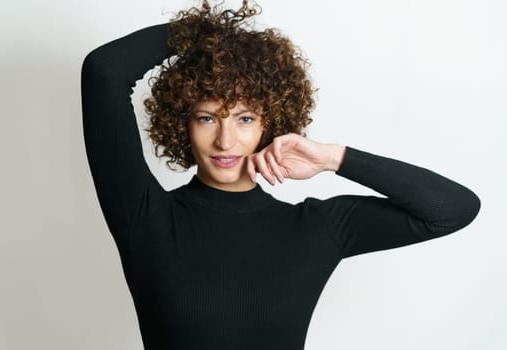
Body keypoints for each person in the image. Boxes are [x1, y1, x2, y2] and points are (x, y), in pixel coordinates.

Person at [81, 1, 481, 349]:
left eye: (244, 118)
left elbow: (453, 209)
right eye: (207, 118)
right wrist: (214, 32)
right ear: (182, 125)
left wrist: (334, 159)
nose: (225, 140)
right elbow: (104, 72)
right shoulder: (144, 215)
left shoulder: (318, 228)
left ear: (269, 126)